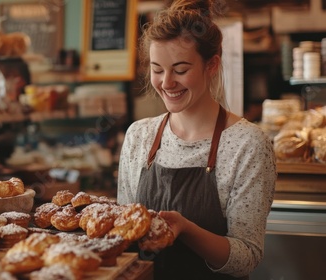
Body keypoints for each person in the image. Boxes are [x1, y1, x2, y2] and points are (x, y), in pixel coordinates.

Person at [117, 0, 276, 279]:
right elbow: (124, 234)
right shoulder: (139, 136)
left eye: (180, 70)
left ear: (211, 65)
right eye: (157, 70)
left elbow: (246, 258)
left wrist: (186, 229)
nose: (166, 83)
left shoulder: (247, 144)